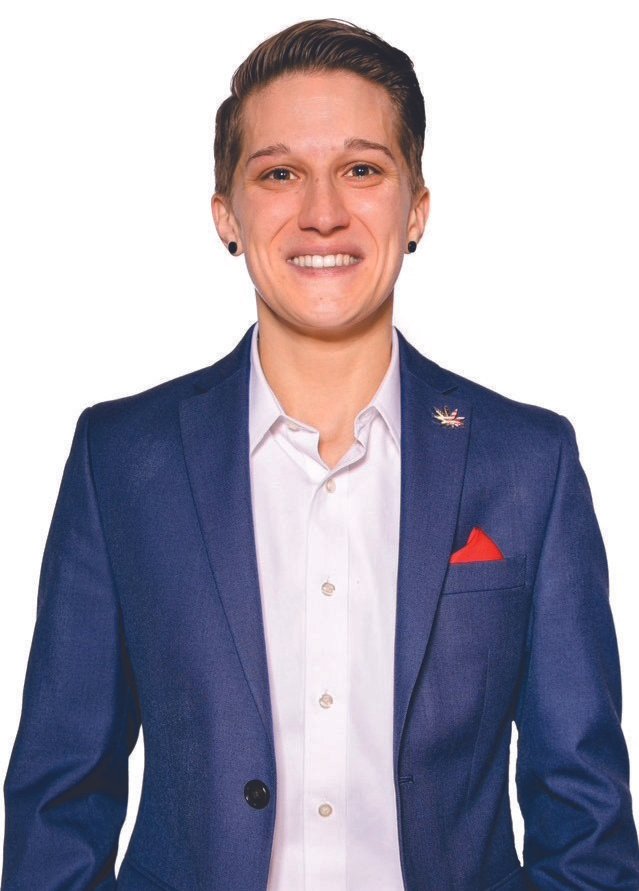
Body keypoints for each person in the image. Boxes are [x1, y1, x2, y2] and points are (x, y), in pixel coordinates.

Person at [2, 16, 638, 891]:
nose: (323, 211)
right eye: (279, 173)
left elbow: (587, 825)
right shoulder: (121, 462)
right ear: (226, 215)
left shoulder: (529, 464)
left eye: (361, 169)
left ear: (416, 209)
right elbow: (56, 809)